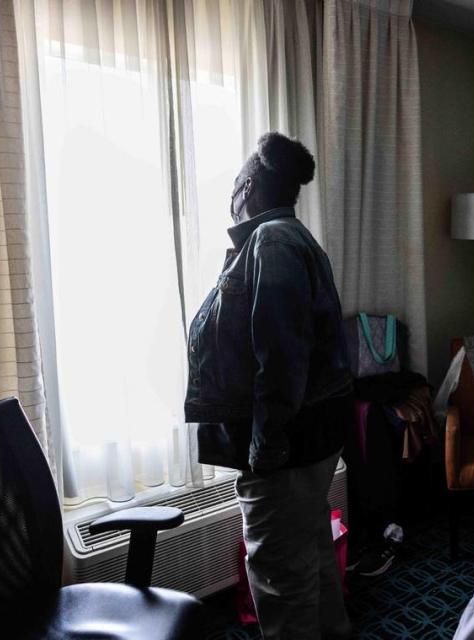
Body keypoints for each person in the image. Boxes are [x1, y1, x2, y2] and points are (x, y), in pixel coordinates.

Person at [184, 132, 353, 639]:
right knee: (309, 545)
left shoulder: (272, 241)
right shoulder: (282, 238)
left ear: (249, 185)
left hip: (287, 444)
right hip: (309, 434)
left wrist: (266, 447)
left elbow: (280, 355)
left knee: (279, 570)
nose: (231, 191)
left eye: (236, 181)